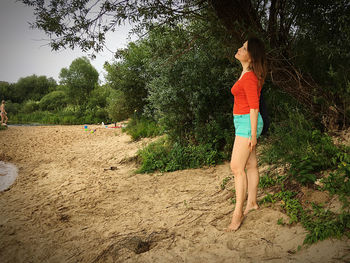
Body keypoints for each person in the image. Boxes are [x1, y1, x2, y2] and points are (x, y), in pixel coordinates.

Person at [226, 37, 267, 231]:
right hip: (243, 123)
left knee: (236, 167)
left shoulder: (250, 77)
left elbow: (254, 107)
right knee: (250, 165)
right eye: (241, 46)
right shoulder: (246, 74)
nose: (239, 49)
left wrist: (252, 135)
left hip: (247, 124)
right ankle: (252, 202)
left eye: (244, 48)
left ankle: (238, 213)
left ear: (251, 57)